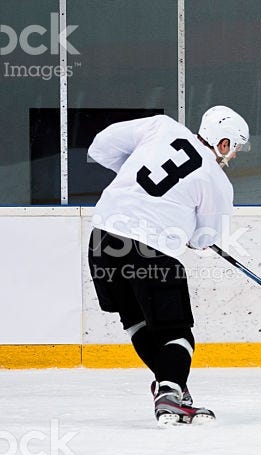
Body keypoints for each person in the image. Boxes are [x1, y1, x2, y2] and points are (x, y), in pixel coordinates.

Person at [87, 106, 250, 424]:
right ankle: (170, 393)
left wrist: (132, 178)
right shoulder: (216, 180)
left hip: (102, 239)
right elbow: (204, 239)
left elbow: (102, 145)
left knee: (135, 321)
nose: (235, 154)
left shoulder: (161, 127)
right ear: (224, 142)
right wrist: (190, 232)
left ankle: (170, 386)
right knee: (178, 334)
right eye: (236, 147)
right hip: (149, 251)